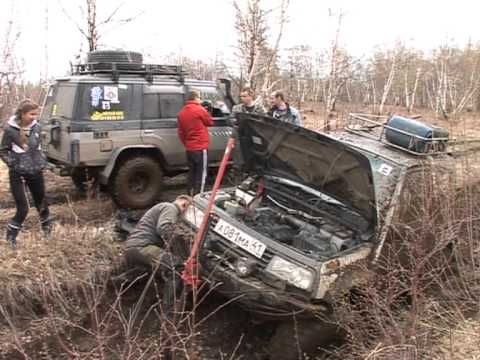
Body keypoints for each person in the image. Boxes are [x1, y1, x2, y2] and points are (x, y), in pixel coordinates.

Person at [0, 99, 52, 249]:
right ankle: (10, 239)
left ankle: (48, 236)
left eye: (36, 113)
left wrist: (42, 161)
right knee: (23, 209)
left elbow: (42, 147)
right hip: (19, 175)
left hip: (36, 172)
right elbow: (3, 151)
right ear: (23, 114)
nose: (34, 117)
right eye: (31, 114)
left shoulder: (38, 127)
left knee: (42, 204)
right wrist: (15, 164)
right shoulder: (10, 130)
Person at [123, 195, 192, 273]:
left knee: (143, 275)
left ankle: (112, 282)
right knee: (177, 266)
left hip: (132, 247)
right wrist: (182, 254)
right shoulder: (171, 208)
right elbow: (164, 228)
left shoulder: (163, 207)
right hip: (143, 247)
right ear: (184, 205)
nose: (185, 215)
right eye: (188, 211)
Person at [177, 90, 213, 195]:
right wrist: (208, 111)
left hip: (190, 148)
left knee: (191, 173)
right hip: (201, 147)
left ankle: (190, 194)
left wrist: (187, 143)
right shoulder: (199, 110)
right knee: (201, 174)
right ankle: (199, 196)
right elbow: (210, 122)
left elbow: (181, 132)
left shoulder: (182, 112)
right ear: (196, 98)